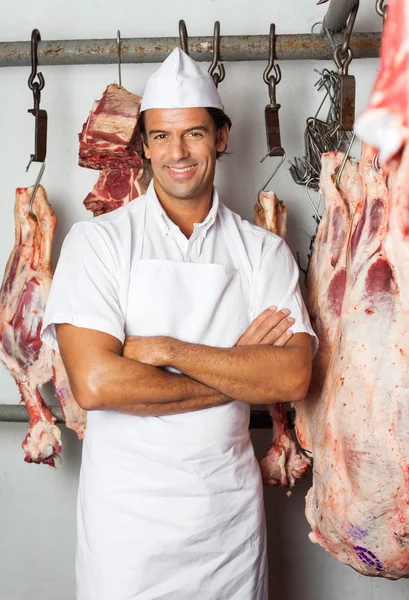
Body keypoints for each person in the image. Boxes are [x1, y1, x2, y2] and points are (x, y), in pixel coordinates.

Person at [41, 48, 318, 600]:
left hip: (229, 530)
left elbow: (288, 380)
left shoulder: (261, 251)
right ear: (143, 146)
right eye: (162, 137)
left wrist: (164, 348)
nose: (178, 153)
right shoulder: (98, 243)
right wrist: (237, 369)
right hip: (127, 532)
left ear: (220, 137)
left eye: (193, 133)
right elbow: (96, 385)